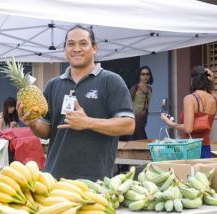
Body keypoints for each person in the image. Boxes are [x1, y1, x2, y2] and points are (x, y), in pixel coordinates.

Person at [17, 25, 135, 181]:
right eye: (71, 44)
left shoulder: (111, 81)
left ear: (94, 48)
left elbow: (128, 125)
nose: (76, 49)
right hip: (54, 177)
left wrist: (88, 123)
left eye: (83, 43)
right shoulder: (54, 84)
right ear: (65, 49)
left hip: (95, 180)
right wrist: (32, 123)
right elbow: (46, 130)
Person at [160, 65, 217, 158]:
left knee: (164, 154)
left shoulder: (190, 98)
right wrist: (212, 80)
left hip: (190, 149)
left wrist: (169, 122)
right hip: (206, 147)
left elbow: (188, 129)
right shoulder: (214, 99)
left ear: (192, 80)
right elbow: (213, 90)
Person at [129, 66, 154, 140]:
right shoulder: (135, 87)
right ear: (139, 76)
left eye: (147, 74)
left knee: (140, 138)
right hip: (134, 117)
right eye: (143, 74)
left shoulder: (150, 89)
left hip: (143, 118)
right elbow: (127, 102)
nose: (145, 76)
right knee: (139, 138)